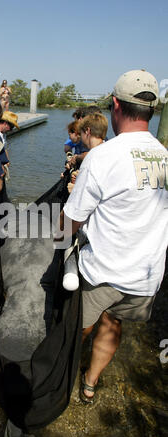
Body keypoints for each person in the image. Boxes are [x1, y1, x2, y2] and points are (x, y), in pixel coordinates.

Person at [58, 69, 168, 404]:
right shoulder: (165, 156)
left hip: (105, 271)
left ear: (115, 105)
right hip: (147, 278)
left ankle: (59, 379)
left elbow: (71, 220)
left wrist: (58, 245)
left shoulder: (104, 156)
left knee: (78, 328)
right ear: (152, 110)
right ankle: (90, 385)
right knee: (114, 324)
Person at [67, 113, 108, 193]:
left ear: (87, 131)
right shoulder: (108, 149)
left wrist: (75, 190)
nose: (80, 137)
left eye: (81, 133)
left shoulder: (92, 157)